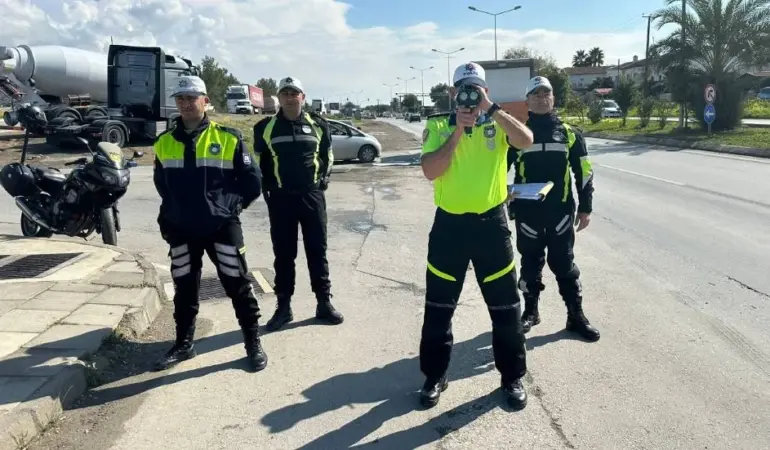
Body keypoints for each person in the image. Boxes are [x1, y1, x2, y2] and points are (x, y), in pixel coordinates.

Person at [418, 62, 534, 410]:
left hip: (491, 226)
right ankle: (435, 375)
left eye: (477, 89)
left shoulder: (497, 123)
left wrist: (492, 109)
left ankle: (512, 377)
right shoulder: (439, 123)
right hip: (449, 227)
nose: (470, 95)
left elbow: (526, 141)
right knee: (439, 308)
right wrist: (456, 132)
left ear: (485, 91)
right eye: (464, 89)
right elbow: (430, 171)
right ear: (453, 93)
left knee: (506, 308)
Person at [152, 75, 267, 372]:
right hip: (181, 229)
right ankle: (183, 344)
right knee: (185, 287)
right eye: (180, 99)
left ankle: (252, 342)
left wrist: (231, 208)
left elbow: (253, 183)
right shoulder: (164, 142)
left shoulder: (227, 137)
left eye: (192, 98)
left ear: (205, 101)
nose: (186, 104)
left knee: (238, 284)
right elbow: (162, 185)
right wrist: (171, 214)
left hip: (221, 228)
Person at [506, 76, 600, 342]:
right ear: (527, 101)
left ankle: (575, 316)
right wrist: (503, 196)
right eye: (534, 94)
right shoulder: (518, 133)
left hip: (560, 212)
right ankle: (531, 312)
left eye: (545, 93)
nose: (540, 97)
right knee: (530, 264)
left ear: (553, 98)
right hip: (528, 213)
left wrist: (586, 208)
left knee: (564, 265)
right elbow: (499, 169)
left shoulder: (570, 133)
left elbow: (584, 173)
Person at [252, 76, 343, 331]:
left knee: (317, 251)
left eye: (295, 93)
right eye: (285, 93)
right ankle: (283, 307)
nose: (290, 98)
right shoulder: (265, 127)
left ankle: (323, 302)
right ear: (278, 98)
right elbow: (263, 163)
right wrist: (268, 190)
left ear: (302, 97)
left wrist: (322, 181)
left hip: (312, 196)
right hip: (281, 199)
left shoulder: (318, 124)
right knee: (283, 255)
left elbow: (328, 155)